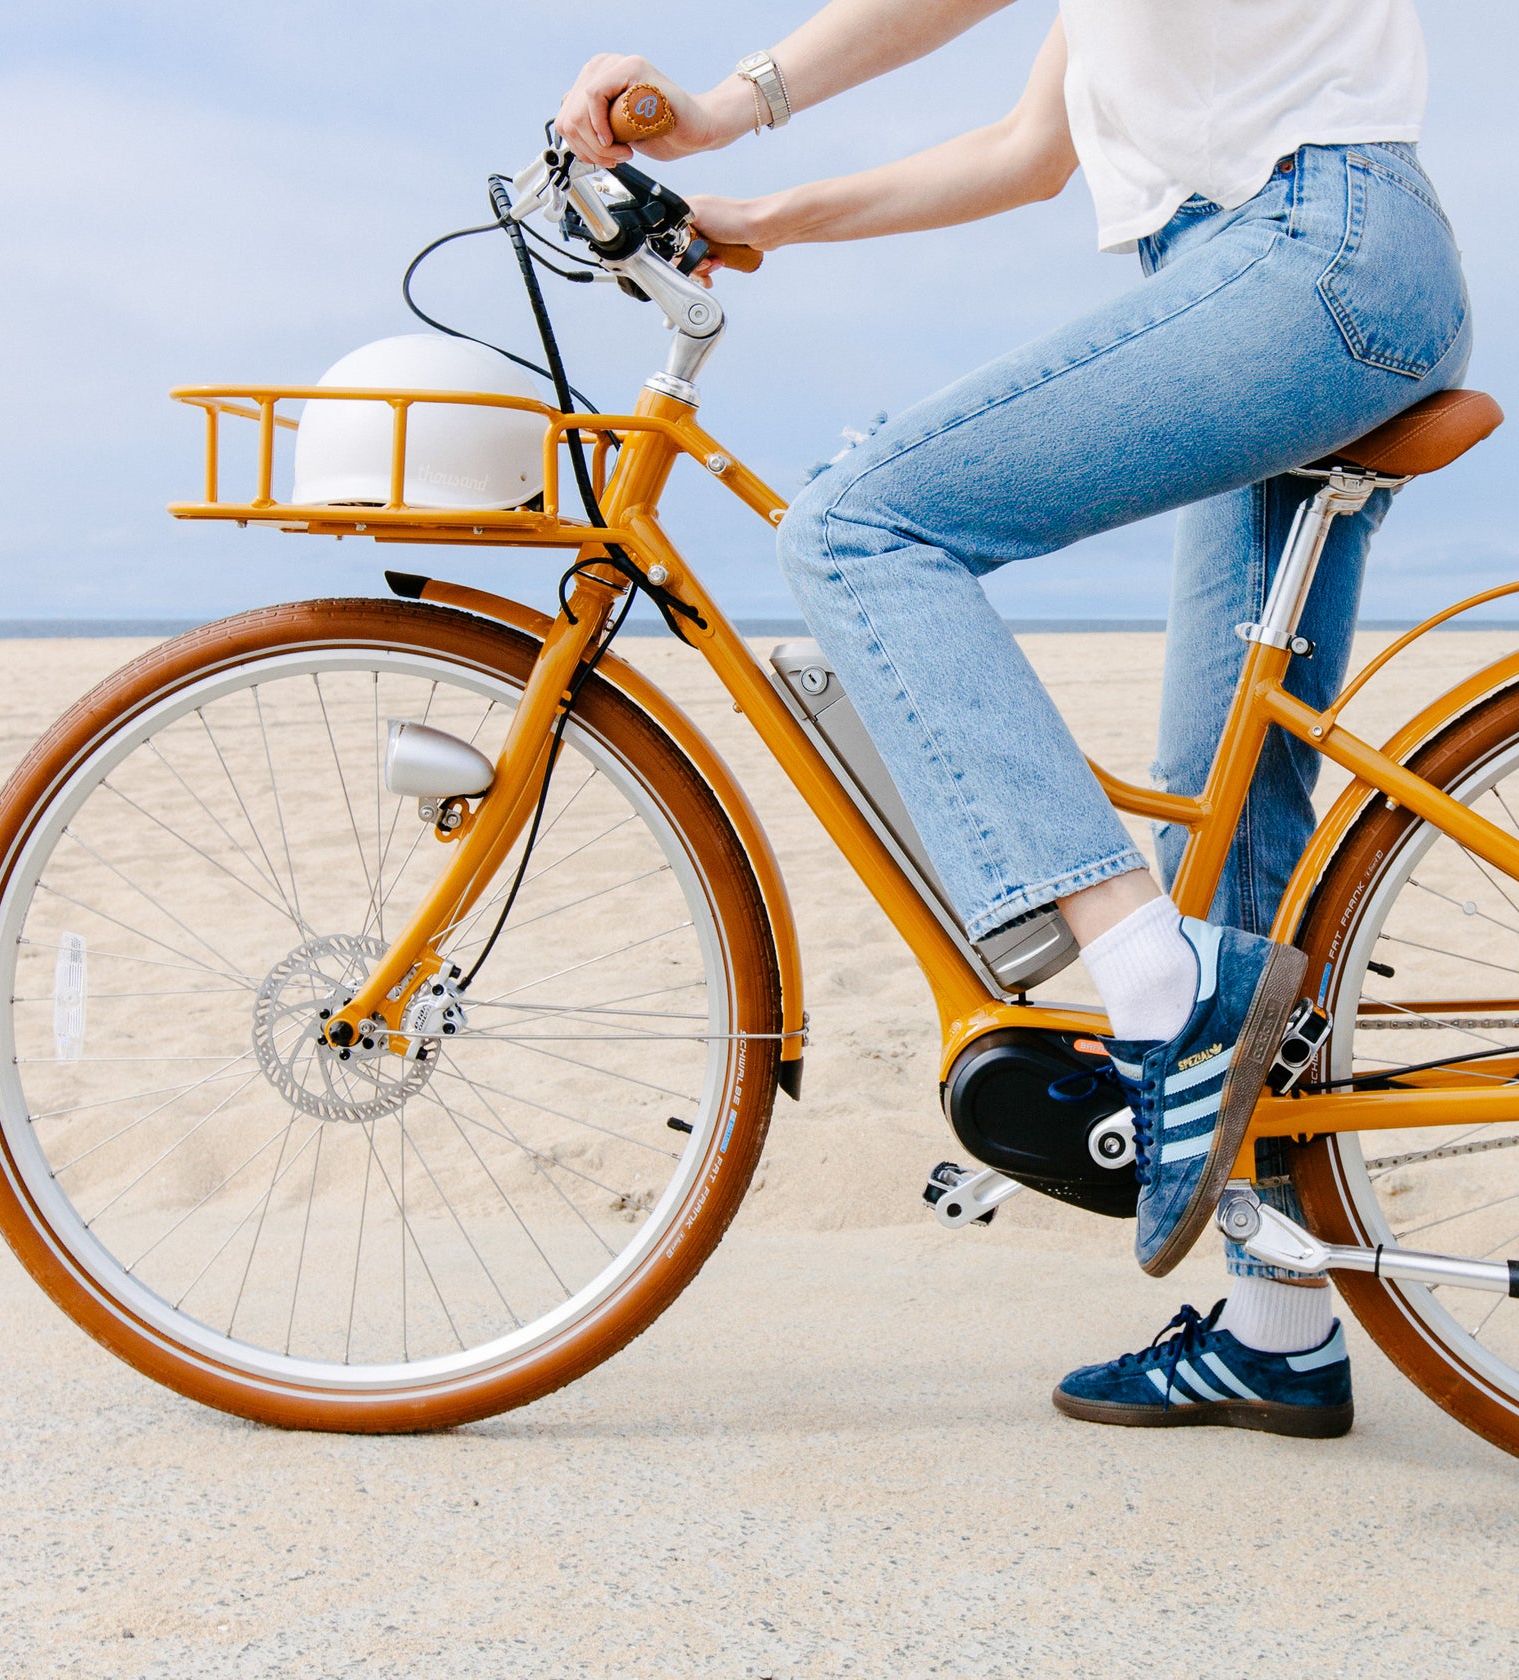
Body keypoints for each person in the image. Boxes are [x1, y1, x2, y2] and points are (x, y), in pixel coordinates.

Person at [558, 0, 1467, 1436]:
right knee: (1225, 783)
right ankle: (1278, 1329)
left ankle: (1160, 990)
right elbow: (1023, 149)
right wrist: (760, 215)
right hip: (1296, 268)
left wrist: (725, 103)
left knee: (860, 528)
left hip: (1305, 256)